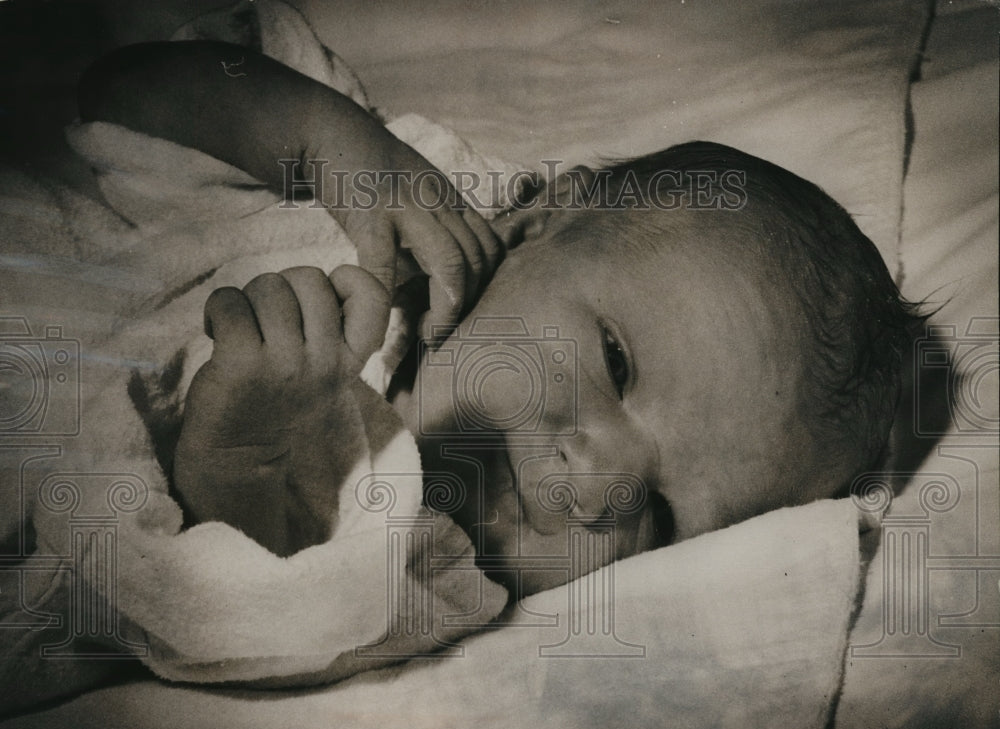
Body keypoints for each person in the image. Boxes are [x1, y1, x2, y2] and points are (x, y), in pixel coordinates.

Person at [79, 40, 917, 600]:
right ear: (533, 226)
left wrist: (235, 481)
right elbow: (110, 92)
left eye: (659, 514)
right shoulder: (415, 195)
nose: (602, 487)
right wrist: (325, 142)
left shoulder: (433, 579)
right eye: (617, 364)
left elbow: (241, 619)